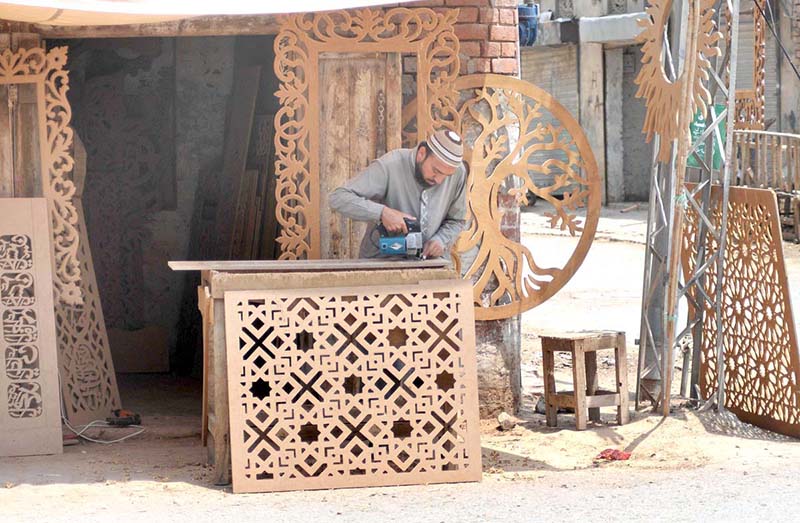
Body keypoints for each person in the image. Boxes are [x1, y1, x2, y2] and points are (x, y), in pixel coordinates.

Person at [329, 129, 467, 259]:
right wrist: (382, 213)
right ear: (422, 154)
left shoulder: (458, 173)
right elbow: (338, 198)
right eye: (436, 170)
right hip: (382, 263)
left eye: (447, 175)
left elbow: (456, 220)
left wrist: (441, 239)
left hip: (430, 264)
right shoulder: (390, 165)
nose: (439, 180)